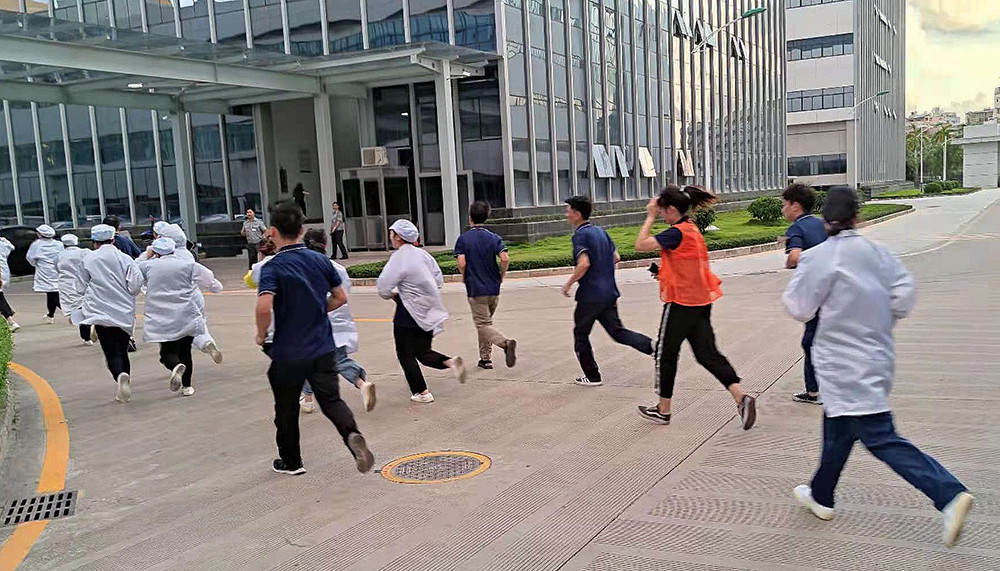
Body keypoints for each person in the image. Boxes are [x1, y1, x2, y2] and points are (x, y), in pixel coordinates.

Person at [782, 186, 974, 548]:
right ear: (857, 217)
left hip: (842, 365)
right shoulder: (881, 254)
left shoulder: (819, 258)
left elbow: (798, 307)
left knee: (879, 436)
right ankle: (821, 496)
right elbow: (903, 298)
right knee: (839, 431)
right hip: (876, 357)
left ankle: (948, 493)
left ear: (825, 221)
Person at [254, 201, 374, 476]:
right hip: (322, 346)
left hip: (288, 351)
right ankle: (351, 434)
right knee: (331, 401)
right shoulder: (321, 260)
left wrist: (261, 335)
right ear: (301, 230)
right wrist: (319, 309)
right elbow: (340, 297)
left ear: (273, 231)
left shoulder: (273, 266)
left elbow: (263, 306)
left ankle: (292, 462)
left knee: (286, 408)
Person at [633, 185, 756, 429]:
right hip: (700, 303)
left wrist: (649, 217)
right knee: (707, 354)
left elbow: (640, 244)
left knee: (666, 355)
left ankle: (663, 410)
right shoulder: (692, 230)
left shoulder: (676, 232)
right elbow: (686, 266)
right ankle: (741, 398)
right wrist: (663, 273)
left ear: (671, 209)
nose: (661, 215)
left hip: (681, 304)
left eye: (662, 211)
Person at [560, 196, 653, 387]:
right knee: (617, 332)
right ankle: (652, 346)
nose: (566, 214)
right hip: (608, 292)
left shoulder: (580, 236)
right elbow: (616, 257)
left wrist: (569, 283)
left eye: (568, 210)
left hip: (590, 295)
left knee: (580, 334)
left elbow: (583, 263)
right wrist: (602, 271)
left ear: (577, 214)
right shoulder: (601, 232)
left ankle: (592, 376)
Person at [376, 219, 467, 403]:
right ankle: (450, 362)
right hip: (429, 308)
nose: (390, 237)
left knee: (405, 354)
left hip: (407, 312)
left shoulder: (399, 257)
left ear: (399, 237)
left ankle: (422, 392)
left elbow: (383, 288)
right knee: (423, 351)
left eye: (392, 234)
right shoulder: (424, 255)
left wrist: (395, 295)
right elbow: (438, 280)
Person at [299, 229, 375, 412]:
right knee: (334, 359)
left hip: (314, 323)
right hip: (339, 320)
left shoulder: (302, 268)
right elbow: (343, 294)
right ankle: (308, 398)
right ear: (325, 245)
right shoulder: (338, 269)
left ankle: (309, 398)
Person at [138, 237, 223, 397]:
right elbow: (208, 278)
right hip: (185, 313)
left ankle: (175, 366)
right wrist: (215, 287)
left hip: (161, 315)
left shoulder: (148, 265)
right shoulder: (187, 264)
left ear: (155, 252)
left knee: (167, 353)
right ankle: (187, 386)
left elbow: (133, 276)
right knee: (185, 351)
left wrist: (146, 255)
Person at [73, 224, 143, 403]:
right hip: (124, 312)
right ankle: (125, 376)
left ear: (94, 242)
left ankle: (119, 376)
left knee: (111, 351)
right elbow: (136, 285)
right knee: (122, 349)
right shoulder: (125, 258)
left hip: (100, 311)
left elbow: (79, 286)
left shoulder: (89, 259)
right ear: (113, 239)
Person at [454, 200, 517, 370]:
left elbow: (461, 263)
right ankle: (485, 359)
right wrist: (501, 276)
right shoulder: (494, 238)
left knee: (482, 325)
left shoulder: (463, 239)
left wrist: (464, 276)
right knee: (486, 324)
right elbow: (505, 258)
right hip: (493, 289)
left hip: (476, 288)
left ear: (470, 217)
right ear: (487, 216)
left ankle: (505, 344)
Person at [781, 183, 829, 405]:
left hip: (815, 294)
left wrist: (790, 263)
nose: (783, 209)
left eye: (784, 205)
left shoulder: (796, 229)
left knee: (810, 341)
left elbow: (795, 257)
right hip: (833, 290)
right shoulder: (822, 224)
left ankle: (813, 392)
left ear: (795, 206)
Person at [149, 223, 224, 364]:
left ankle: (174, 359)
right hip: (194, 295)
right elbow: (203, 274)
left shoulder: (160, 258)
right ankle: (207, 342)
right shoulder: (187, 255)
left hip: (172, 299)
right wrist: (214, 286)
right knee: (199, 323)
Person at [55, 233, 93, 346]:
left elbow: (57, 268)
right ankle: (93, 325)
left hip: (67, 285)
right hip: (84, 282)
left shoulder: (59, 255)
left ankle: (86, 336)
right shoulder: (85, 252)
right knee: (88, 305)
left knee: (77, 308)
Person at [26, 224, 64, 324]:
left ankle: (70, 313)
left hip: (44, 271)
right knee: (51, 293)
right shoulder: (59, 244)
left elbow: (30, 257)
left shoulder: (36, 244)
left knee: (53, 294)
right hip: (57, 270)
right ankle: (50, 315)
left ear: (40, 234)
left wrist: (36, 264)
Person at [0, 236, 20, 332]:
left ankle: (10, 318)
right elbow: (11, 247)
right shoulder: (3, 244)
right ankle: (8, 310)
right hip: (4, 272)